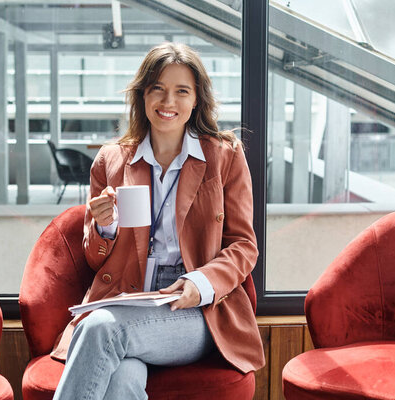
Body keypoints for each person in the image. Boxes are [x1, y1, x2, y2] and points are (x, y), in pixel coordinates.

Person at [51, 42, 265, 400]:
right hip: (127, 296)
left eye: (182, 91)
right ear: (143, 95)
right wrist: (105, 226)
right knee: (121, 381)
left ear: (197, 99)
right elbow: (94, 258)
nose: (168, 102)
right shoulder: (111, 160)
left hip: (195, 306)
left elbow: (243, 246)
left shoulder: (224, 156)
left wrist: (201, 282)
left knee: (101, 329)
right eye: (158, 89)